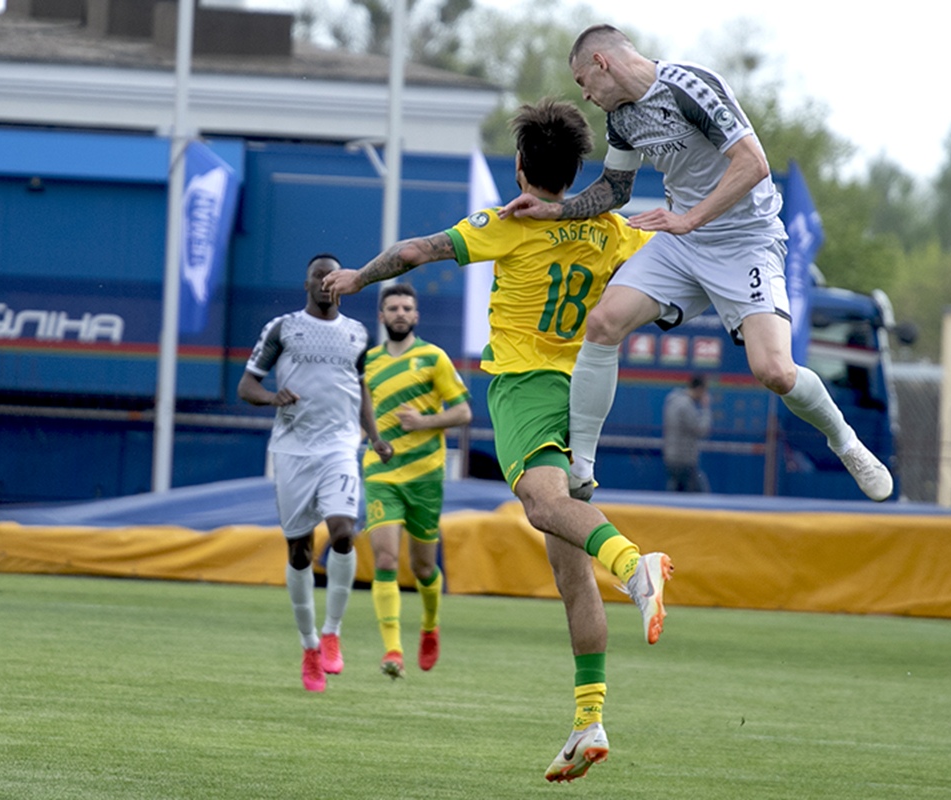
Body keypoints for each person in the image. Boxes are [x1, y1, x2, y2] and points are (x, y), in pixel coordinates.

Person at [324, 98, 672, 783]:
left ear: (519, 166)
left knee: (542, 506)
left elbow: (415, 251)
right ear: (575, 170)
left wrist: (357, 278)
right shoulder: (611, 229)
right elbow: (664, 278)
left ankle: (635, 566)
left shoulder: (511, 222)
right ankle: (589, 719)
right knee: (568, 567)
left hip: (527, 388)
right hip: (584, 393)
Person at [499, 24, 893, 504]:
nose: (584, 94)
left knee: (774, 372)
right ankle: (581, 466)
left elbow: (752, 164)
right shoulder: (621, 118)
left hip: (746, 240)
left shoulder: (689, 87)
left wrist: (689, 219)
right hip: (683, 241)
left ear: (602, 63)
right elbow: (615, 190)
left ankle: (847, 442)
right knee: (602, 323)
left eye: (583, 81)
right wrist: (555, 210)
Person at [237, 253, 393, 693]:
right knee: (300, 552)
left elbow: (360, 388)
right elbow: (247, 385)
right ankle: (308, 646)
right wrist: (272, 398)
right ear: (306, 284)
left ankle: (331, 633)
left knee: (343, 533)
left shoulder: (358, 333)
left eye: (332, 275)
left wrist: (374, 436)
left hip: (340, 447)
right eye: (317, 276)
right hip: (292, 450)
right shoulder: (282, 328)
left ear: (343, 283)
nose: (325, 282)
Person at [361, 283, 472, 680]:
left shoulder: (433, 358)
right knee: (385, 560)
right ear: (381, 316)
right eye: (393, 308)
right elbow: (358, 411)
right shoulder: (367, 363)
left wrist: (424, 421)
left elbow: (463, 412)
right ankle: (393, 650)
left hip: (425, 475)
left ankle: (429, 626)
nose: (400, 314)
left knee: (424, 568)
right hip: (381, 471)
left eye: (407, 308)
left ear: (416, 315)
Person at [662, 374, 711, 493]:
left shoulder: (673, 401)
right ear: (699, 389)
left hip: (671, 457)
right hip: (684, 459)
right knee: (701, 494)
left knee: (677, 491)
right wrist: (706, 409)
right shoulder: (685, 406)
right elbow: (701, 430)